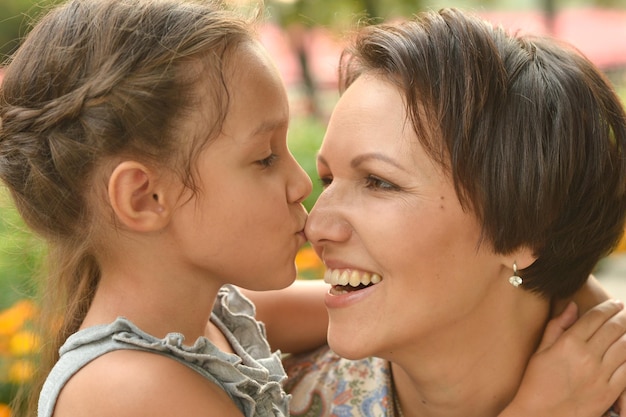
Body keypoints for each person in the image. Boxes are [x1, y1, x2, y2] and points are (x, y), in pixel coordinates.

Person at [0, 1, 623, 417]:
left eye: (378, 182)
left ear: (526, 223)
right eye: (271, 159)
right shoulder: (139, 388)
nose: (314, 219)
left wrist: (572, 278)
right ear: (144, 197)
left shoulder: (217, 326)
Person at [271, 8, 626, 417]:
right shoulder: (259, 401)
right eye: (328, 179)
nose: (315, 226)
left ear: (530, 232)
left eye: (379, 182)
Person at [0, 0, 316, 416]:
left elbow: (368, 307)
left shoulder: (218, 316)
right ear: (143, 198)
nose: (302, 184)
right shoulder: (131, 391)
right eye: (264, 157)